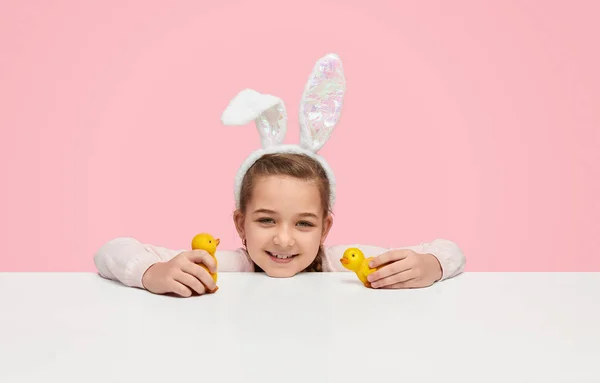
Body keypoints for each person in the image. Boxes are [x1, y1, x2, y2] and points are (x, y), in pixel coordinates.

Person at [93, 53, 466, 297]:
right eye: (266, 219)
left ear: (326, 227)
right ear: (240, 224)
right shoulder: (221, 266)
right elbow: (109, 252)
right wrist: (153, 273)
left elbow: (451, 251)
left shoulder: (344, 265)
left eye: (304, 224)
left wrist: (429, 265)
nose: (283, 240)